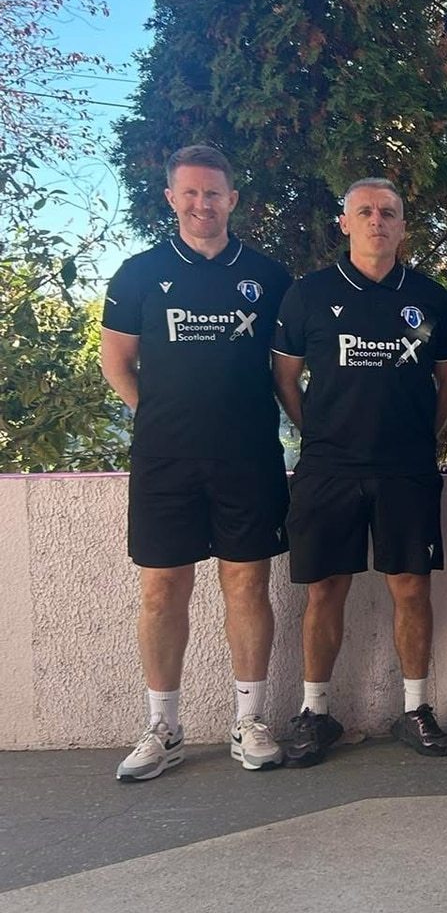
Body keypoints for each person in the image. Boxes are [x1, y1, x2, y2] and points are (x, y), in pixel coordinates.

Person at [101, 144, 294, 780]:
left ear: (232, 199)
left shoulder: (268, 276)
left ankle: (249, 720)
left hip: (248, 456)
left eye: (213, 193)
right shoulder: (137, 273)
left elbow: (287, 365)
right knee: (161, 589)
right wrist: (156, 416)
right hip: (164, 461)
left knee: (246, 585)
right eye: (190, 193)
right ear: (171, 198)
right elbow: (117, 363)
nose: (202, 204)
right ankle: (164, 726)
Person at [271, 178, 447, 764]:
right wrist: (321, 433)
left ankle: (416, 709)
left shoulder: (431, 297)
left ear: (404, 227)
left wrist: (422, 439)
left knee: (411, 587)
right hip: (328, 467)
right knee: (325, 590)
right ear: (345, 223)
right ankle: (315, 713)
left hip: (406, 468)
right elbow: (285, 379)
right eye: (365, 212)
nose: (377, 221)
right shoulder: (308, 294)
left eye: (389, 213)